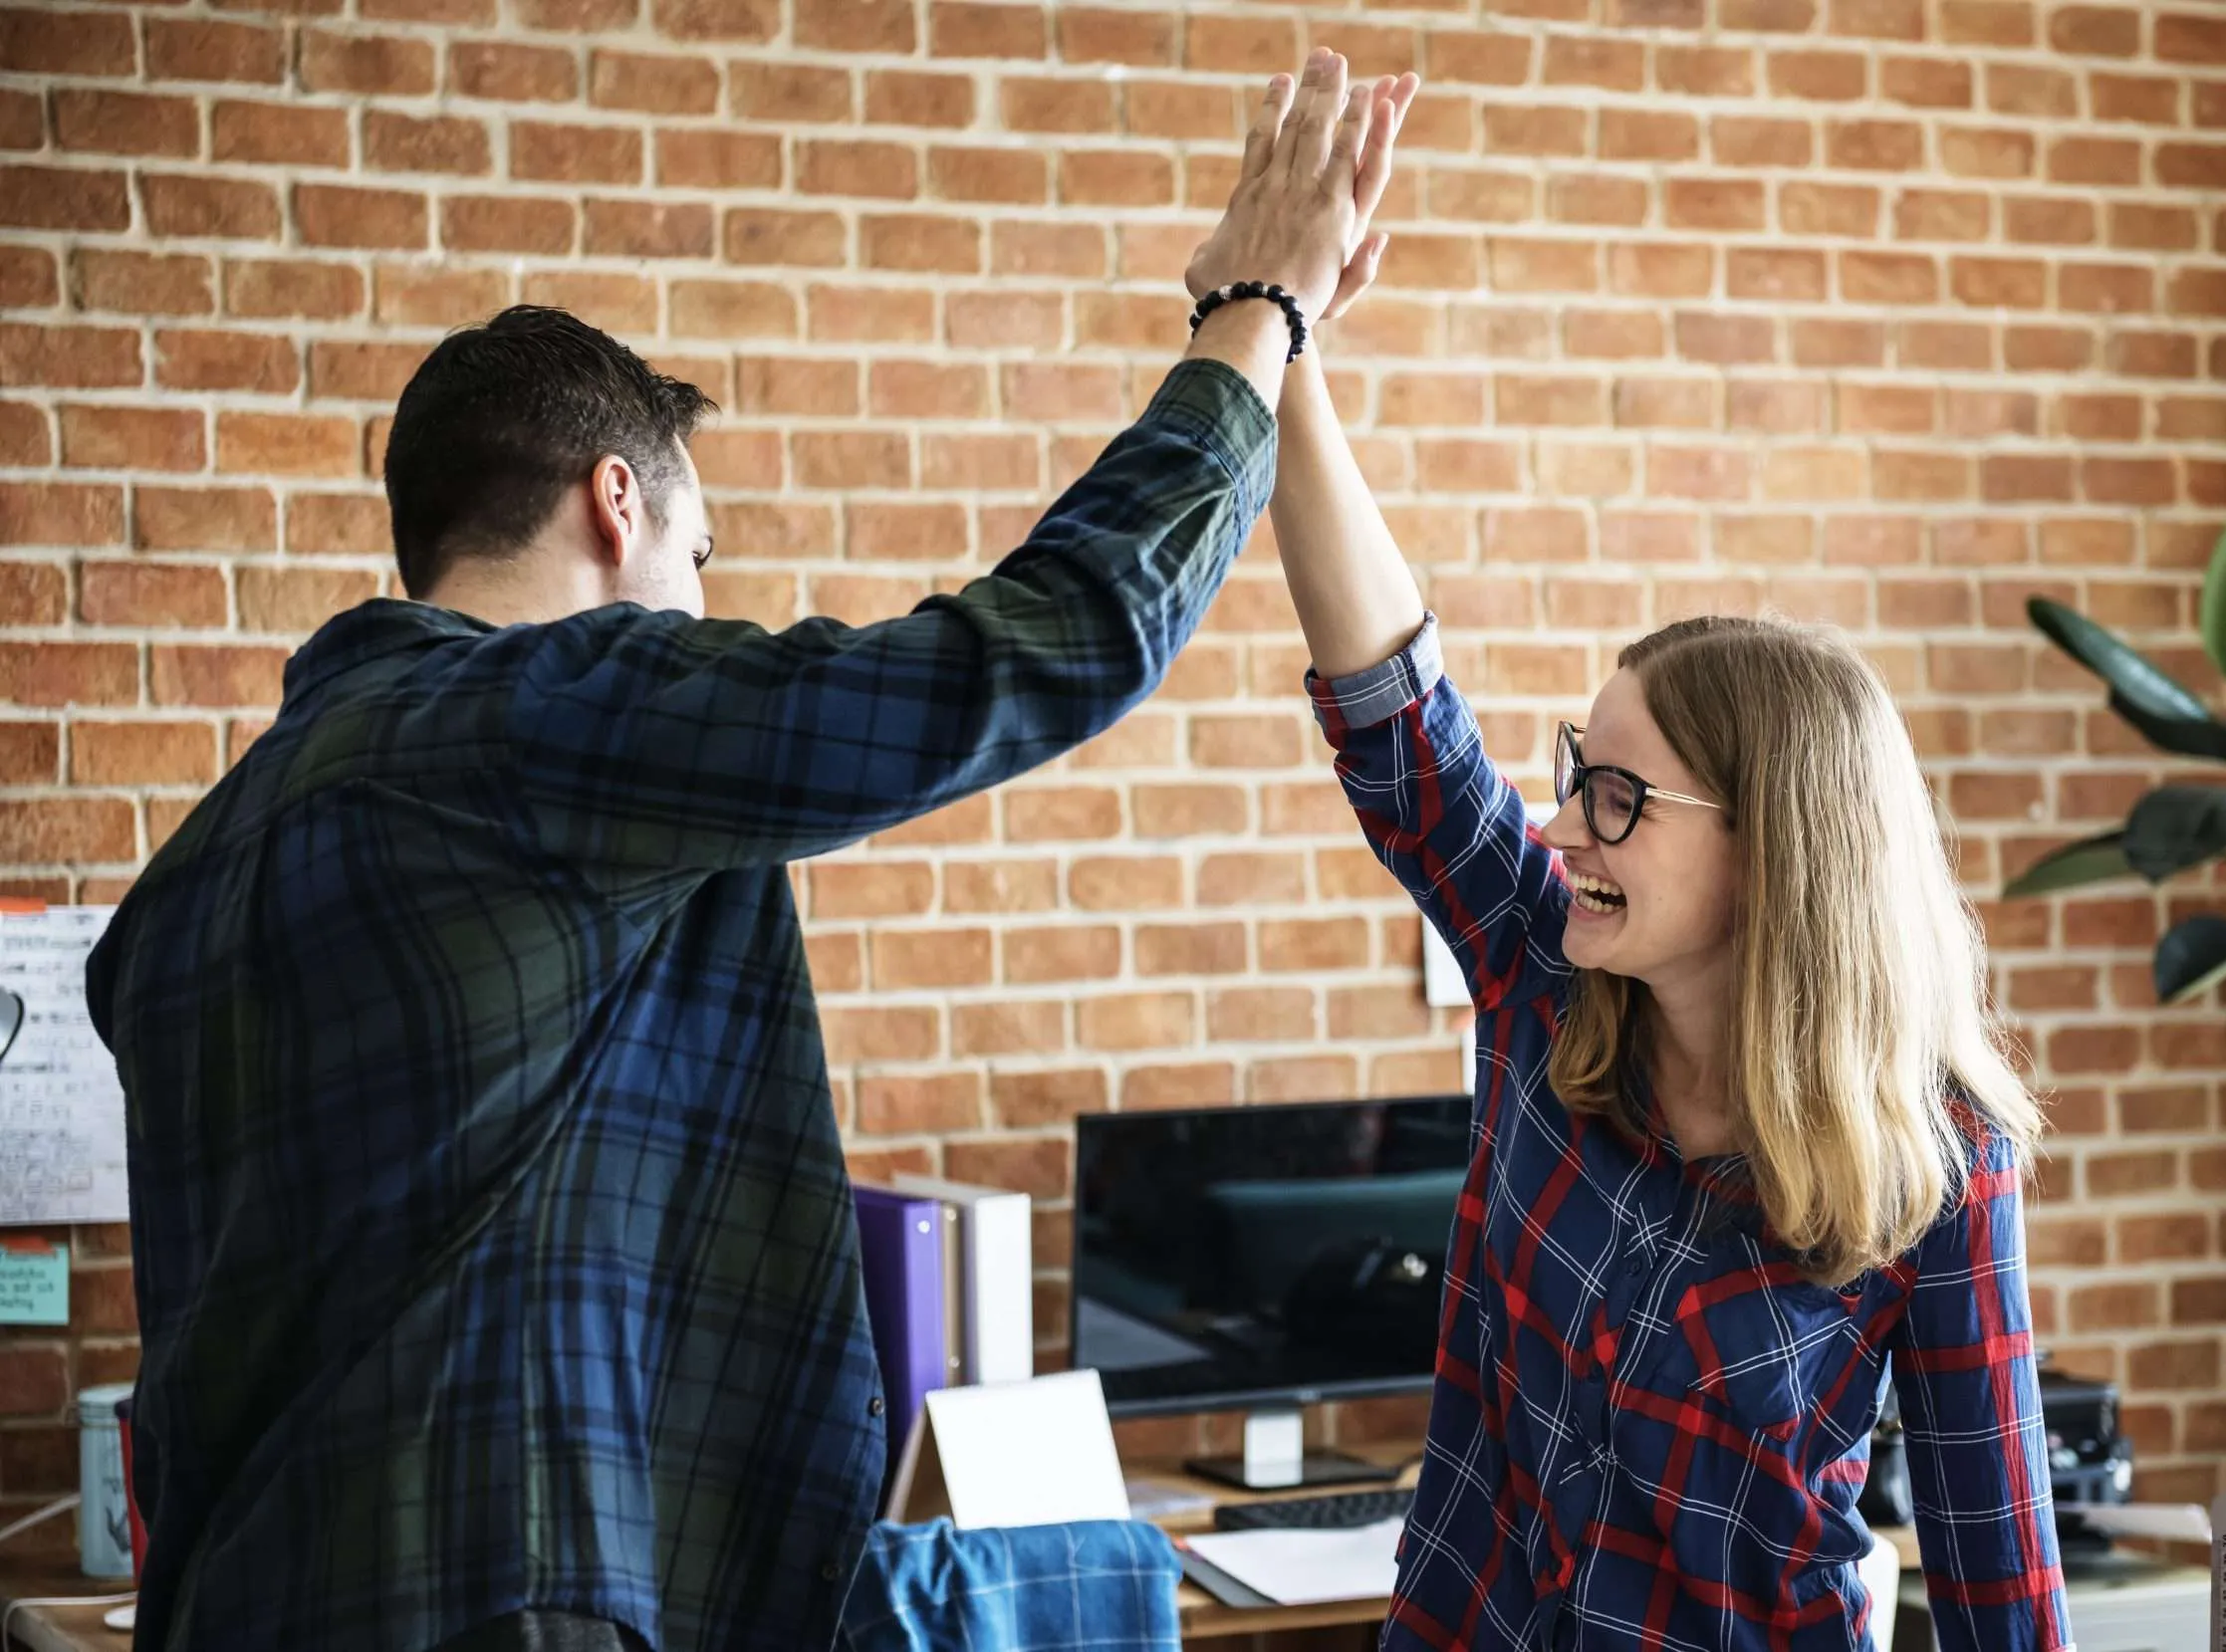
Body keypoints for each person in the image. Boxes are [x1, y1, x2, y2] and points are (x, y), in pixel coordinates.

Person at [85, 50, 1400, 1652]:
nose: (702, 605)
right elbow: (1051, 642)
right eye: (701, 556)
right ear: (614, 503)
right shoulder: (543, 716)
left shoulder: (189, 884)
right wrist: (1256, 310)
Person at [1261, 86, 2075, 1652]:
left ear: (1778, 854)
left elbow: (2001, 1590)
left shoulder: (1937, 1164)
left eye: (1619, 795)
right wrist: (1278, 338)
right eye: (1578, 777)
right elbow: (1389, 693)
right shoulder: (1545, 976)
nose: (1563, 826)